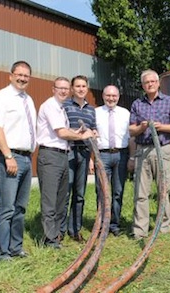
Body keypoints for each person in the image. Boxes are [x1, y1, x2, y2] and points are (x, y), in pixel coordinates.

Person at [0, 61, 36, 261]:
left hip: (26, 157)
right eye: (19, 74)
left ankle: (16, 248)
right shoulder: (0, 98)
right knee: (7, 207)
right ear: (10, 75)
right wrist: (8, 156)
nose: (22, 78)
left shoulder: (28, 100)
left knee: (20, 207)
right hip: (9, 157)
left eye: (26, 76)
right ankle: (3, 253)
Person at [36, 77, 94, 249]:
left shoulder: (61, 108)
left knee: (61, 199)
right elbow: (61, 132)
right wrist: (83, 136)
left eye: (65, 88)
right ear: (53, 88)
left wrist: (77, 132)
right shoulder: (50, 106)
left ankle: (56, 235)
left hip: (62, 154)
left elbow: (65, 131)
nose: (63, 91)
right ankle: (50, 239)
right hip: (50, 156)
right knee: (50, 199)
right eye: (60, 88)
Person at [129, 69, 170, 240]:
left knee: (163, 189)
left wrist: (161, 127)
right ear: (143, 85)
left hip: (163, 149)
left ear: (158, 83)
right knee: (141, 192)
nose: (150, 84)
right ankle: (140, 230)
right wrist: (142, 127)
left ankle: (164, 226)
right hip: (143, 150)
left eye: (153, 81)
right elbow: (131, 130)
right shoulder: (137, 104)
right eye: (146, 82)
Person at [61, 75, 97, 243]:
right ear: (72, 88)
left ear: (87, 88)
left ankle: (75, 230)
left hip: (83, 153)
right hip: (68, 152)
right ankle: (60, 231)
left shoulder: (91, 109)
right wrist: (79, 133)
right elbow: (62, 129)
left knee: (80, 194)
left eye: (84, 86)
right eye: (78, 86)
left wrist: (94, 134)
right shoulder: (65, 105)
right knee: (65, 192)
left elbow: (93, 130)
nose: (81, 89)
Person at [95, 85, 134, 237]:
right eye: (108, 95)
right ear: (103, 96)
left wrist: (131, 157)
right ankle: (101, 224)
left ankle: (114, 223)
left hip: (121, 155)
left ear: (118, 96)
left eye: (114, 96)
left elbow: (131, 138)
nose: (111, 98)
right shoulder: (96, 112)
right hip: (102, 155)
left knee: (118, 191)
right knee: (102, 191)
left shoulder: (125, 113)